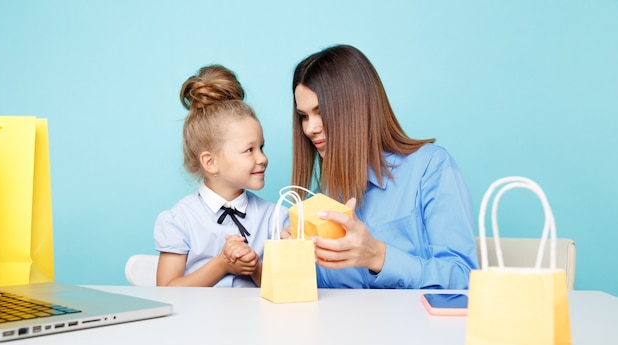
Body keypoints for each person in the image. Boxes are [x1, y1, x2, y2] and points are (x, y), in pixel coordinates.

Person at [290, 44, 478, 289]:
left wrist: (377, 255)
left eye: (320, 112)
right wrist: (297, 258)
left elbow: (464, 279)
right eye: (303, 116)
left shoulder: (430, 168)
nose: (309, 128)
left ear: (356, 108)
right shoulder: (321, 198)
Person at [154, 65, 287, 287]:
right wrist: (222, 264)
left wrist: (254, 267)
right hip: (198, 322)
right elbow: (167, 290)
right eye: (249, 150)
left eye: (262, 147)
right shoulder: (180, 220)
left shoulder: (276, 219)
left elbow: (287, 288)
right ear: (210, 162)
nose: (262, 158)